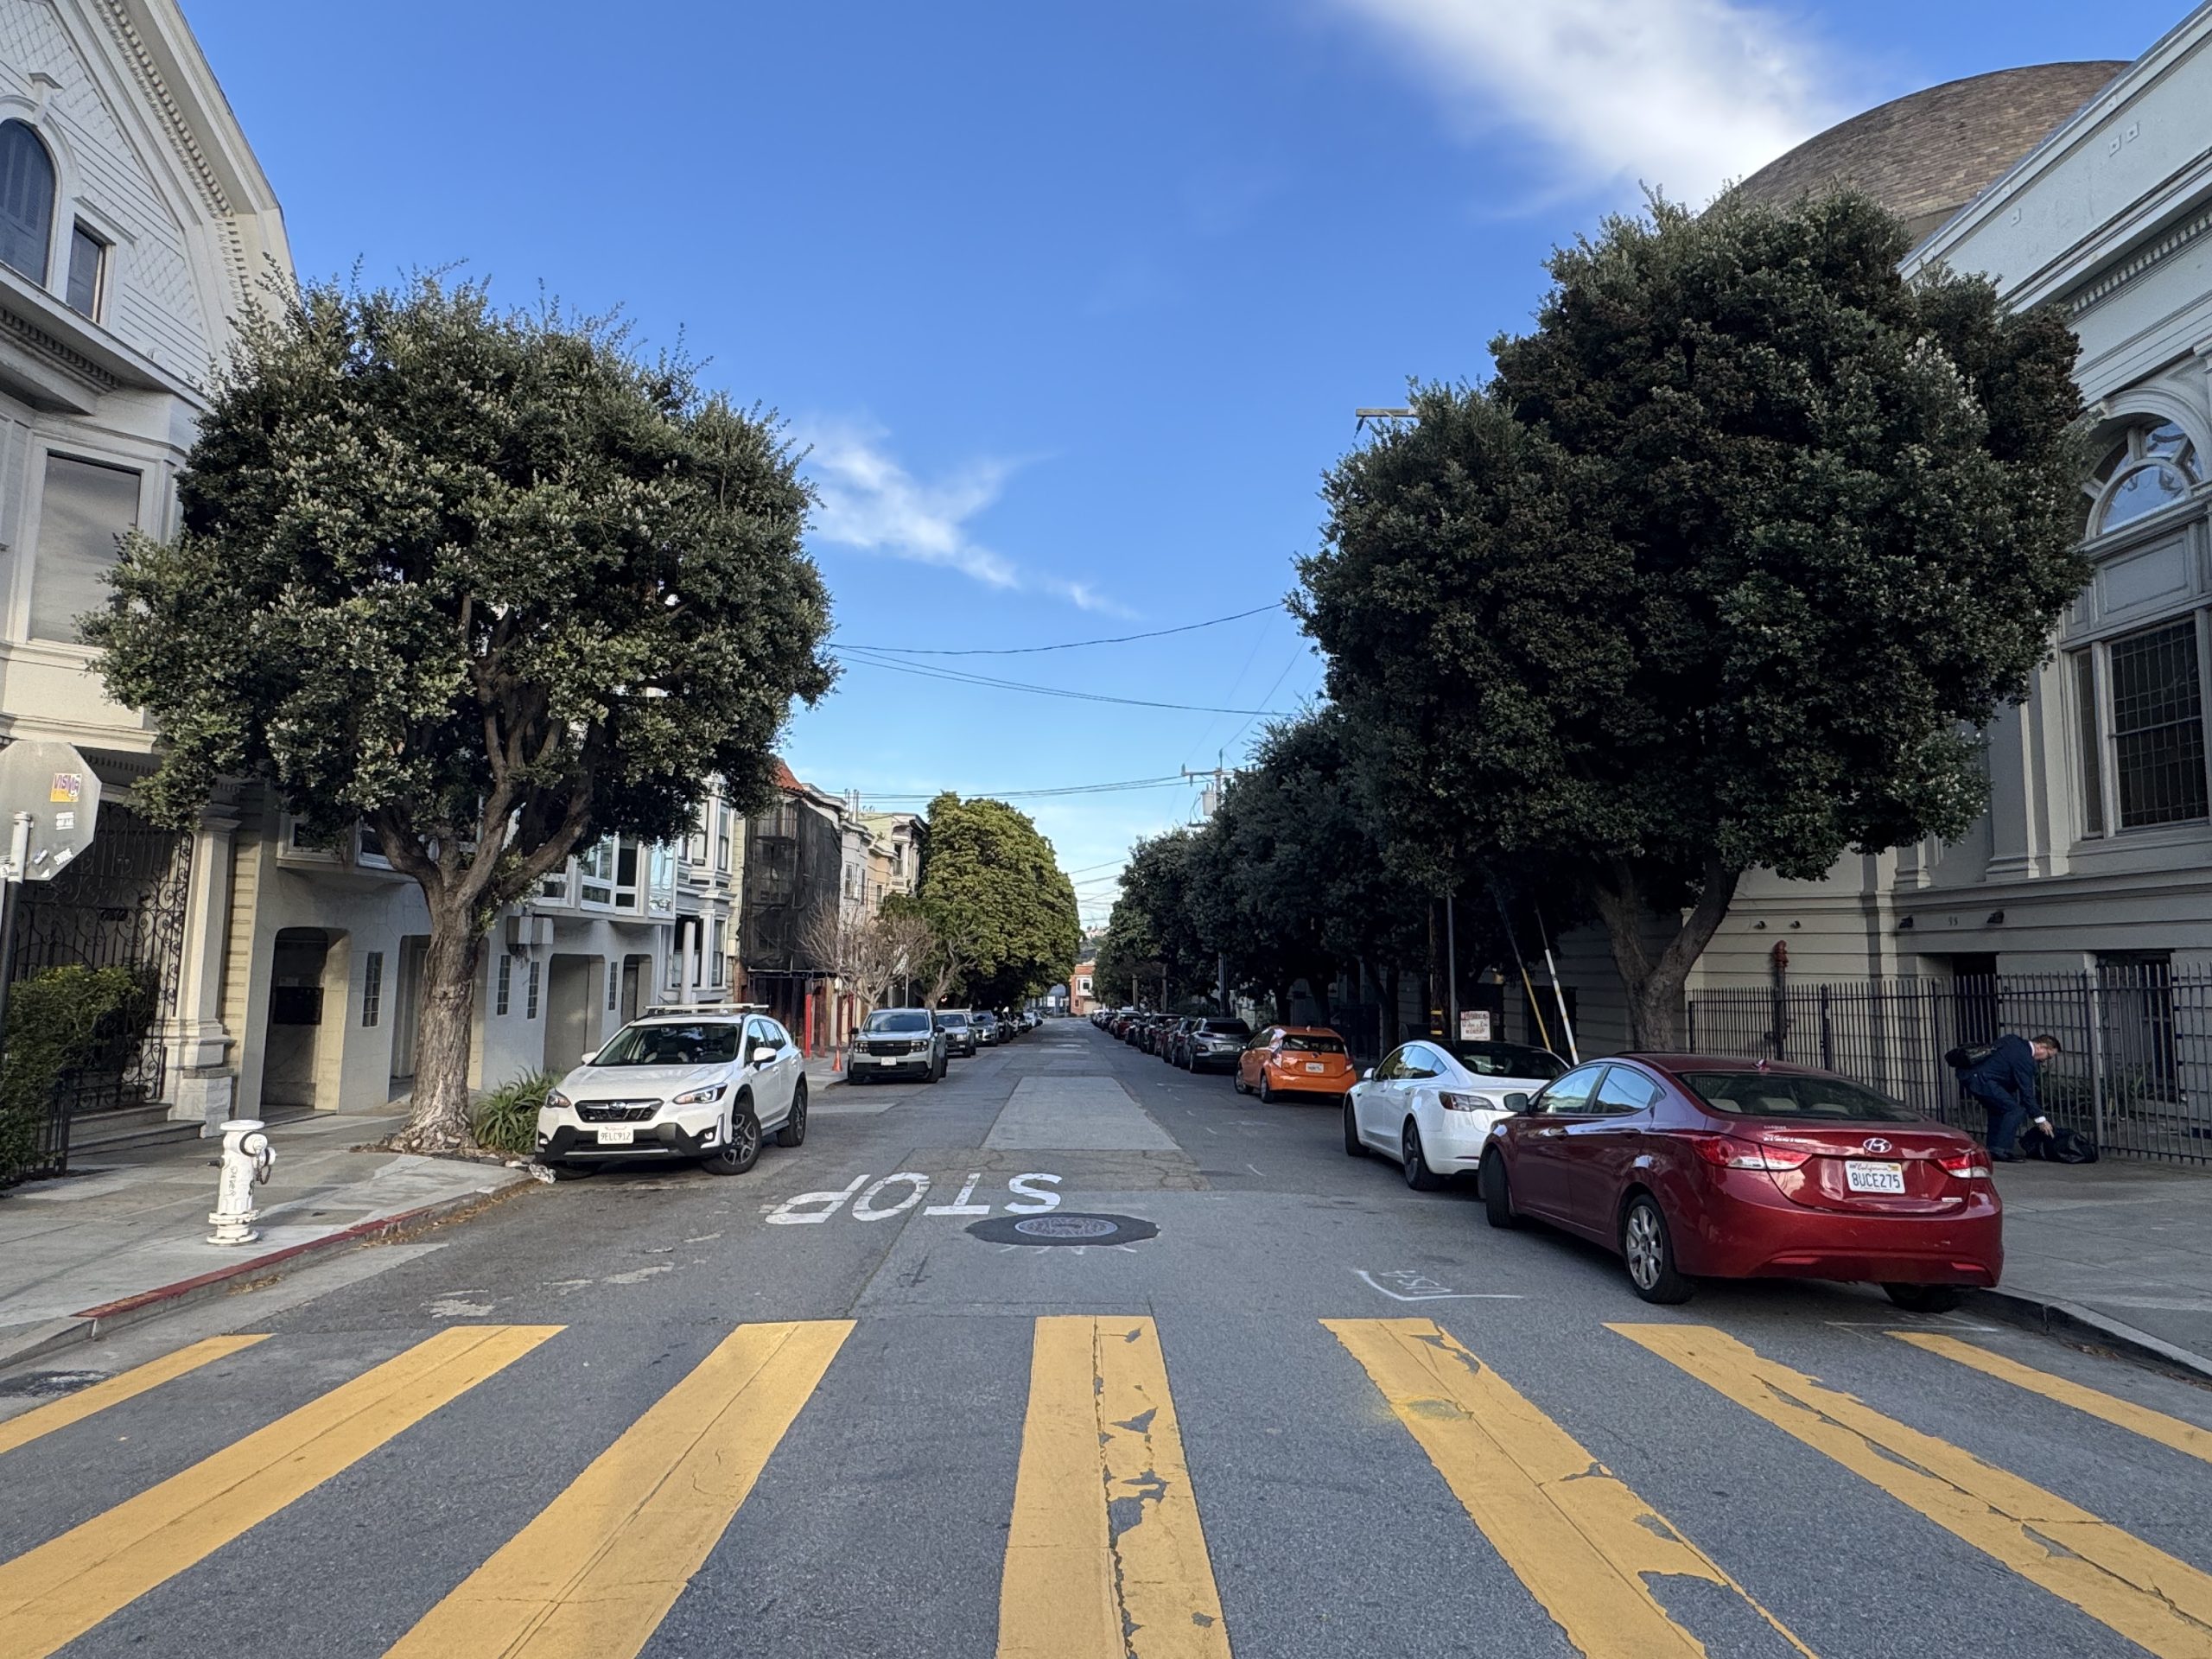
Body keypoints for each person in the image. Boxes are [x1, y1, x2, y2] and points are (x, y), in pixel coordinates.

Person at [1960, 1033, 2062, 1161]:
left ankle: (1994, 1149)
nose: (2044, 1061)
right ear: (2041, 1047)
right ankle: (2001, 1150)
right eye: (2048, 1056)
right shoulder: (2025, 1059)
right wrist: (2040, 1119)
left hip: (1973, 1076)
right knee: (2015, 1110)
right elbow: (2027, 1092)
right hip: (1983, 1081)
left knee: (1998, 1110)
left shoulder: (2012, 1040)